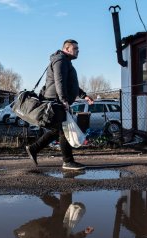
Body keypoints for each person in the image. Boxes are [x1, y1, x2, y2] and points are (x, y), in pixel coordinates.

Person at [26, 39, 94, 170]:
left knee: (58, 130)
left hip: (58, 100)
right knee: (63, 130)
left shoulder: (65, 61)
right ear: (67, 49)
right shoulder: (60, 60)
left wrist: (83, 95)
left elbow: (71, 84)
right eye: (75, 49)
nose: (78, 51)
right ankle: (67, 161)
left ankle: (34, 149)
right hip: (56, 101)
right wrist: (63, 100)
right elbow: (60, 81)